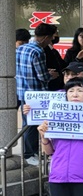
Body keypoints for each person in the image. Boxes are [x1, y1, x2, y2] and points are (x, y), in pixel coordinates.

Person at [16, 23, 58, 166]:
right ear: (45, 38)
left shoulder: (21, 48)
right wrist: (51, 75)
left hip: (22, 93)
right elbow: (42, 76)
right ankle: (30, 154)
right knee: (33, 125)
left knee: (27, 123)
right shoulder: (38, 51)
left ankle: (30, 152)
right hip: (37, 95)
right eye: (51, 38)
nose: (51, 41)